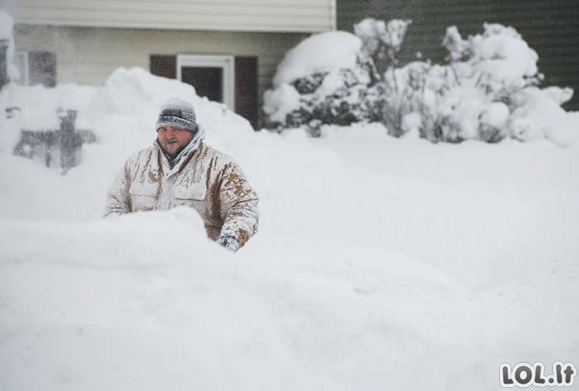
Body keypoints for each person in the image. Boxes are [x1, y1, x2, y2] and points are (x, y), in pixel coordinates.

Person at [104, 97, 259, 252]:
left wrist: (228, 241)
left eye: (176, 128)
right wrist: (119, 242)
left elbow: (243, 208)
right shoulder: (136, 163)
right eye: (163, 129)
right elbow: (115, 205)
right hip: (144, 263)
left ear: (191, 131)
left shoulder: (220, 166)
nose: (169, 135)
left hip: (197, 264)